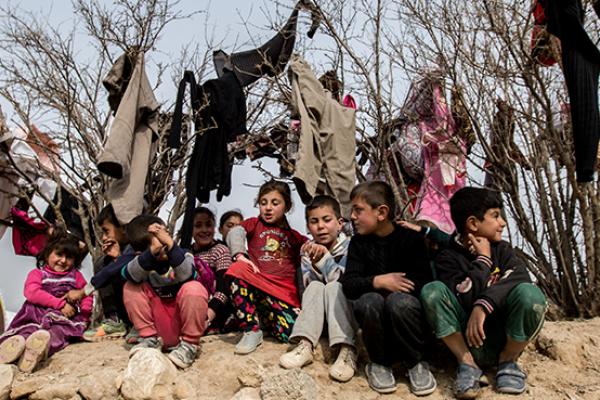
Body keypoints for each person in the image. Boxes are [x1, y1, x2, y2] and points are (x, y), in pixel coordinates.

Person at [420, 187, 547, 399]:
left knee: (530, 294)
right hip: (466, 340)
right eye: (495, 216)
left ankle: (508, 362)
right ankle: (467, 364)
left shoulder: (503, 250)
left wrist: (483, 305)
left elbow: (519, 278)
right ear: (473, 223)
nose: (503, 223)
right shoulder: (448, 258)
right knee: (432, 291)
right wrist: (483, 262)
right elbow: (463, 297)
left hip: (501, 336)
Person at [341, 181, 436, 396]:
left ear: (381, 212)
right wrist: (378, 281)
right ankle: (379, 364)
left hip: (408, 324)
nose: (352, 216)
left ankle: (416, 363)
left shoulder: (411, 240)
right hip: (376, 329)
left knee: (399, 302)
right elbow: (349, 285)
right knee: (369, 301)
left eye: (358, 210)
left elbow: (424, 282)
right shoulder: (358, 243)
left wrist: (397, 289)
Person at [279, 195, 357, 382]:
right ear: (308, 226)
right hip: (319, 319)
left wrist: (325, 260)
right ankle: (306, 344)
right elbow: (308, 290)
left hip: (346, 315)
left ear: (339, 223)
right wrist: (314, 263)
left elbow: (346, 285)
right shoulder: (307, 250)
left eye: (326, 220)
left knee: (333, 287)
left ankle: (347, 350)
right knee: (314, 285)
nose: (320, 226)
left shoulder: (351, 247)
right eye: (314, 221)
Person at [226, 180, 306, 355]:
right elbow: (235, 232)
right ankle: (251, 330)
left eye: (275, 203)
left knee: (291, 335)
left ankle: (266, 322)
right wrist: (240, 255)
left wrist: (303, 304)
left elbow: (303, 270)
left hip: (285, 297)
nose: (268, 208)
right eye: (263, 203)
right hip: (260, 286)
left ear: (287, 206)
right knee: (237, 269)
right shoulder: (254, 224)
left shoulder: (295, 237)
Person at [121, 215, 209, 369]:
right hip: (157, 327)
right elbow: (129, 274)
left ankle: (190, 345)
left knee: (194, 288)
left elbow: (187, 274)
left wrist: (171, 245)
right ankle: (149, 340)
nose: (162, 246)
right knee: (130, 286)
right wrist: (151, 252)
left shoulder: (183, 254)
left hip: (181, 324)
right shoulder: (142, 263)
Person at [0, 234, 92, 372]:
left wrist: (85, 314)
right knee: (28, 331)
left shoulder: (75, 276)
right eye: (59, 254)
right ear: (48, 253)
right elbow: (32, 293)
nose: (63, 260)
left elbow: (86, 295)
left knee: (57, 334)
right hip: (35, 315)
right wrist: (60, 304)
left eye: (69, 257)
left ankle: (33, 354)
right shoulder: (38, 274)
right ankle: (13, 349)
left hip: (62, 319)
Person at [67, 204, 132, 342]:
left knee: (110, 268)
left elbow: (118, 271)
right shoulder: (121, 250)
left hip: (145, 307)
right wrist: (115, 258)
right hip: (127, 308)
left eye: (106, 231)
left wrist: (82, 292)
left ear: (122, 225)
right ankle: (114, 320)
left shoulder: (137, 246)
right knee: (102, 263)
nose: (103, 238)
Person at [191, 207, 235, 332]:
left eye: (208, 225)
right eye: (198, 226)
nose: (204, 230)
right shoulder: (186, 253)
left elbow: (224, 288)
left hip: (217, 309)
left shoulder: (220, 250)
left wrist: (208, 316)